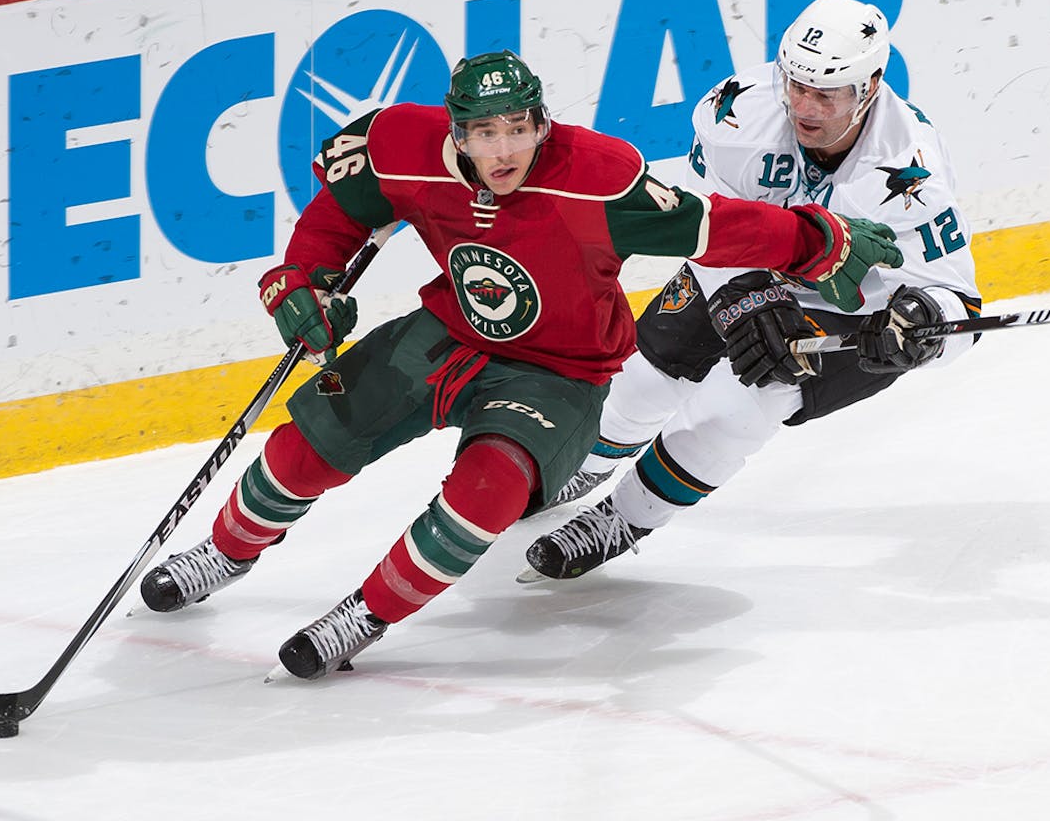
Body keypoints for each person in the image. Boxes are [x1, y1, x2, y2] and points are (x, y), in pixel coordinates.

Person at [137, 49, 904, 679]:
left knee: (487, 492)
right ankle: (226, 552)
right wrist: (301, 281)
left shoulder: (598, 176)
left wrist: (821, 240)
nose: (504, 150)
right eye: (485, 133)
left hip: (561, 372)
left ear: (541, 122)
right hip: (447, 333)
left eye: (518, 128)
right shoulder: (401, 145)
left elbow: (716, 229)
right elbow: (341, 214)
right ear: (456, 132)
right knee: (307, 447)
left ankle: (363, 614)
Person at [518, 0, 981, 583]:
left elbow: (960, 308)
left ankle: (623, 518)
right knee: (636, 382)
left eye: (826, 92)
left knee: (736, 408)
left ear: (869, 86)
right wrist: (747, 298)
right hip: (744, 265)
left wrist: (921, 331)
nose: (805, 106)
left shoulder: (910, 169)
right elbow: (702, 231)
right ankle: (579, 465)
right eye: (796, 85)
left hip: (845, 312)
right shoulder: (734, 113)